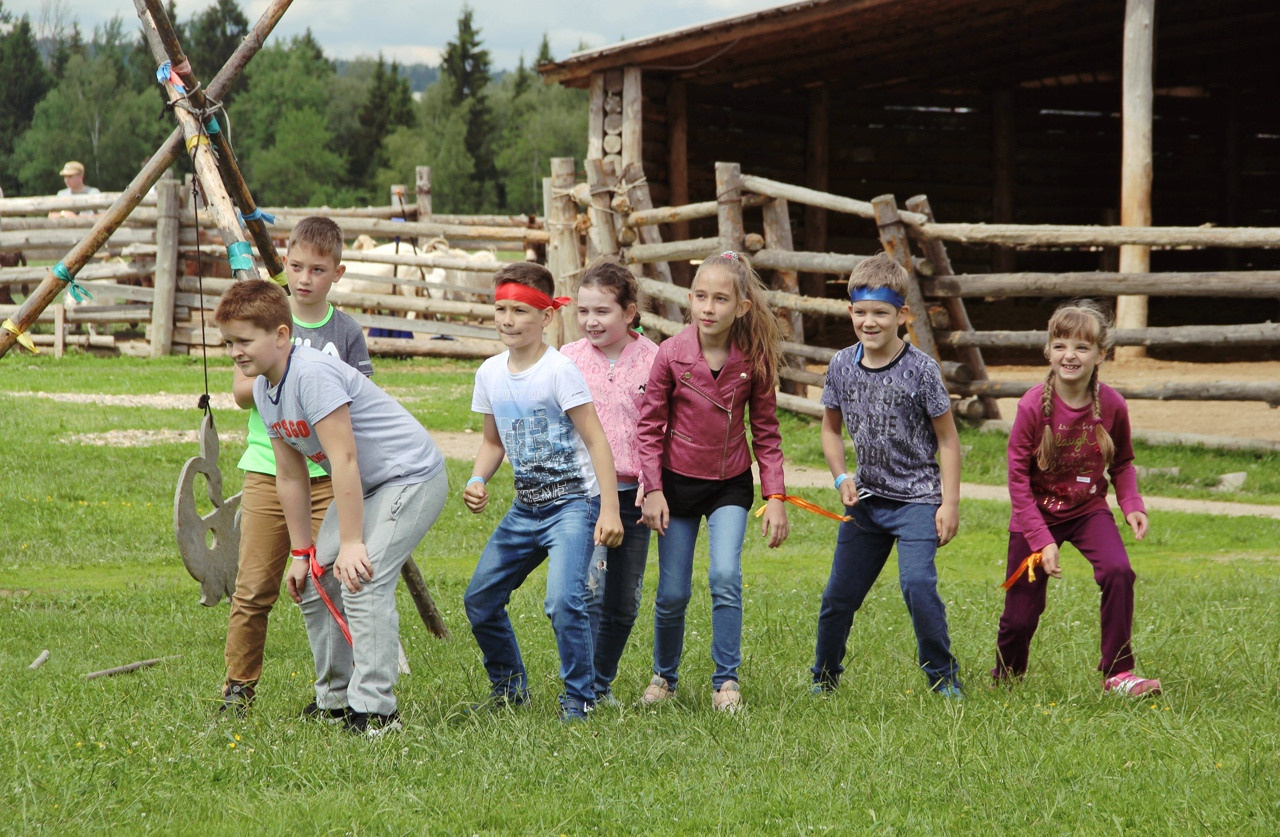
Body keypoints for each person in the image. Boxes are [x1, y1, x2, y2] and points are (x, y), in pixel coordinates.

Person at [214, 279, 448, 737]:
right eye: (229, 343)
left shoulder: (312, 374)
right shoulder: (265, 388)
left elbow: (343, 459)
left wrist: (354, 543)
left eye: (244, 341)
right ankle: (335, 701)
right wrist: (302, 553)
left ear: (280, 335)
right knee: (317, 580)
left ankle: (377, 712)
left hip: (409, 476)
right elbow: (290, 475)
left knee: (363, 577)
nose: (235, 352)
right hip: (368, 486)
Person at [218, 216, 373, 714]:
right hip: (271, 465)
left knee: (332, 582)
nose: (305, 278)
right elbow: (242, 390)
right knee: (254, 587)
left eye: (318, 269)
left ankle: (339, 692)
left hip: (329, 473)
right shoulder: (267, 317)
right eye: (296, 266)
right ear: (284, 264)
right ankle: (238, 690)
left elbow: (362, 399)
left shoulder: (345, 331)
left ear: (337, 273)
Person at [463, 262, 624, 723]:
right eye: (500, 309)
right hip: (524, 509)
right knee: (480, 599)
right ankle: (509, 689)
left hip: (572, 507)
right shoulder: (490, 374)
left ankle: (580, 698)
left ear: (547, 316)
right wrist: (478, 479)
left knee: (563, 602)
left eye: (520, 310)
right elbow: (493, 442)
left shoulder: (560, 372)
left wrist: (608, 509)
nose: (507, 320)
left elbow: (597, 440)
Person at [637, 251, 789, 713]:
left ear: (741, 306)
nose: (708, 307)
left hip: (729, 483)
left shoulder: (754, 360)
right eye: (701, 297)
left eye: (720, 299)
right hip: (676, 486)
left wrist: (776, 496)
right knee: (673, 592)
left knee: (725, 576)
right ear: (689, 299)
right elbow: (649, 427)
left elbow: (765, 431)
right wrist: (654, 488)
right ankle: (664, 677)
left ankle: (726, 682)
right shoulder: (670, 354)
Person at [811, 251, 963, 698]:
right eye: (861, 312)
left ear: (903, 315)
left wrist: (948, 504)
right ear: (850, 312)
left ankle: (943, 677)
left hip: (917, 500)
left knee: (917, 586)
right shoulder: (841, 365)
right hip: (868, 502)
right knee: (838, 598)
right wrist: (842, 478)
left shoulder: (923, 371)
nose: (869, 322)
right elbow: (830, 429)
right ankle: (824, 676)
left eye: (881, 313)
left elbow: (949, 441)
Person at [993, 299, 1160, 696]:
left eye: (1082, 347)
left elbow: (1122, 464)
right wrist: (1041, 540)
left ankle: (1119, 673)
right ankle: (1007, 680)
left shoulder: (1113, 406)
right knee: (1020, 615)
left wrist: (1131, 505)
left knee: (1119, 572)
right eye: (1061, 345)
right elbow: (1017, 478)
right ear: (1048, 350)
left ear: (1101, 354)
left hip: (1088, 511)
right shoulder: (1033, 405)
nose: (1070, 355)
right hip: (1035, 515)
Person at [560, 257, 660, 706]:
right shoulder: (567, 359)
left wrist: (652, 483)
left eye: (602, 311)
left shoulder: (655, 360)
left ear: (629, 312)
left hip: (634, 494)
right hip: (585, 492)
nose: (590, 321)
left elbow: (661, 427)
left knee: (624, 600)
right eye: (583, 311)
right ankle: (581, 687)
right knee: (589, 591)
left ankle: (601, 684)